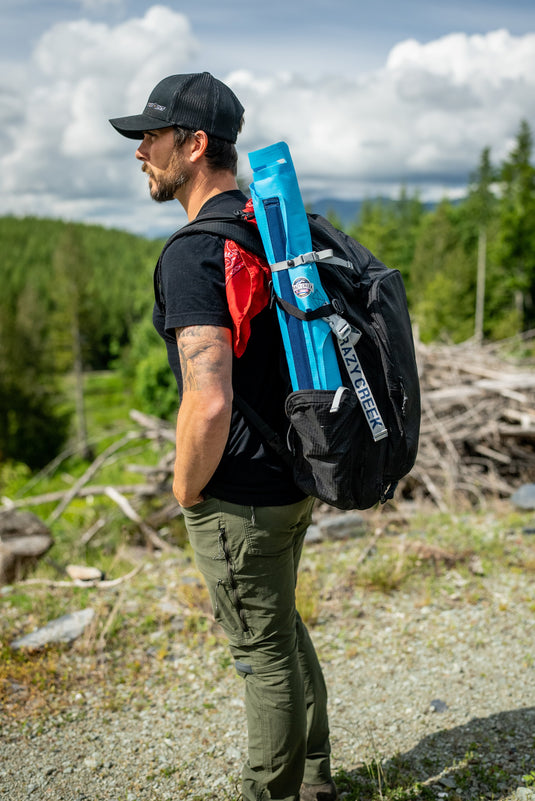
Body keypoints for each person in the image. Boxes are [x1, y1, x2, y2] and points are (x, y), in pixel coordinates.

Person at [109, 71, 338, 801]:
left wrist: (184, 487)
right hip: (294, 475)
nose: (140, 152)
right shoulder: (268, 229)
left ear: (193, 142)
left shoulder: (193, 252)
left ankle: (267, 791)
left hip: (237, 493)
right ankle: (312, 778)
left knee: (261, 652)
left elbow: (207, 401)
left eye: (149, 137)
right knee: (281, 633)